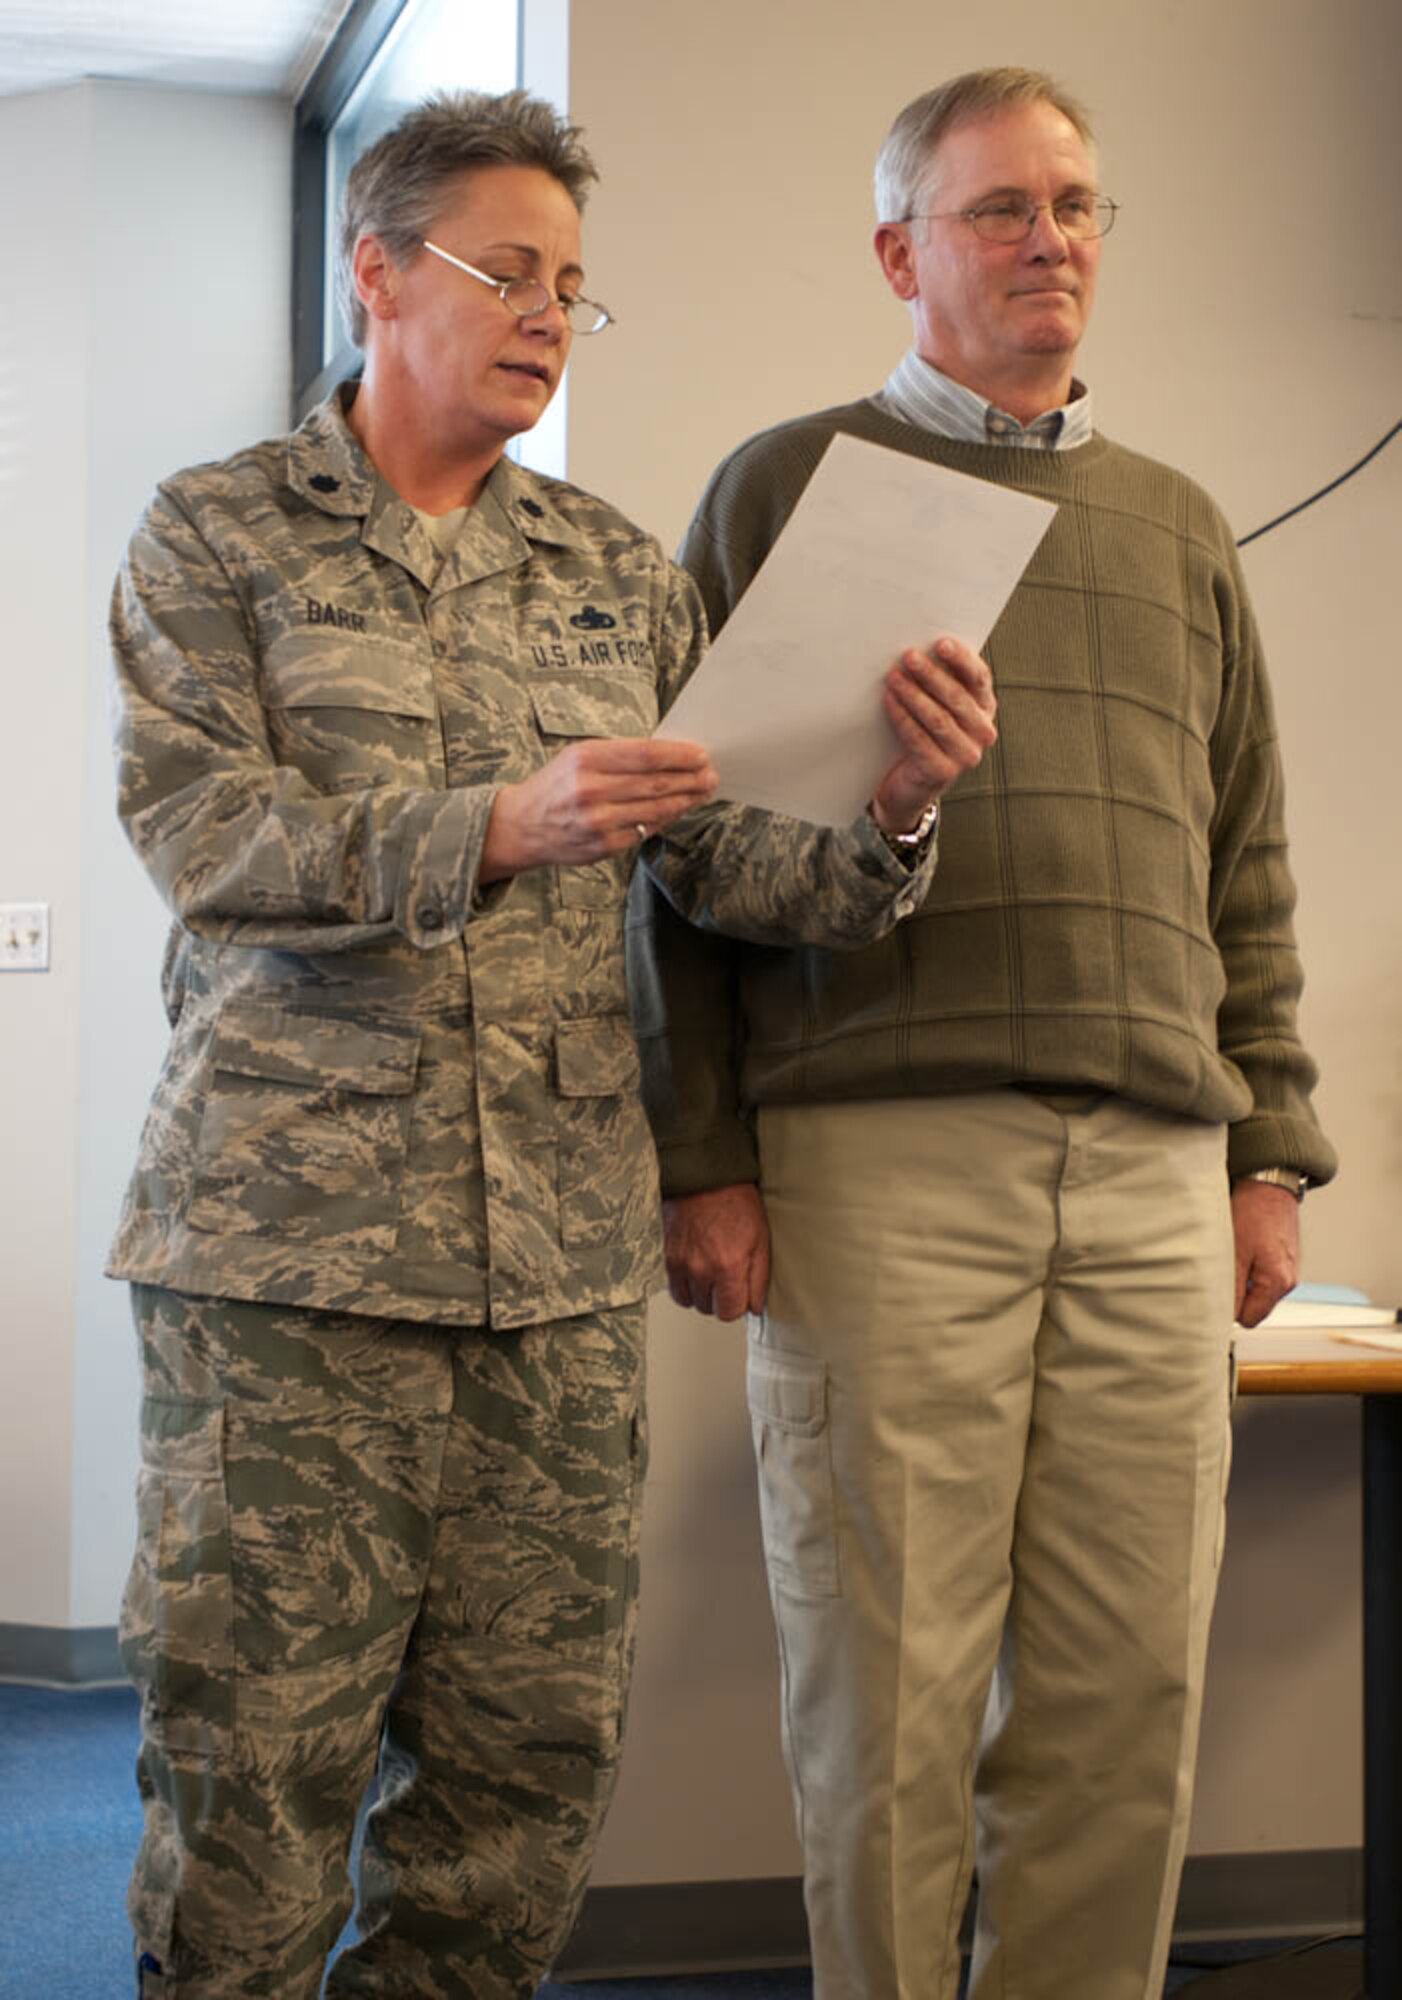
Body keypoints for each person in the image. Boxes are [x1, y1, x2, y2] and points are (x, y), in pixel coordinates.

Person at [107, 87, 997, 2000]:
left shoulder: (611, 569)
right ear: (375, 273)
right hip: (287, 1264)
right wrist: (495, 826)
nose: (543, 313)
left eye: (571, 289)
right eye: (505, 271)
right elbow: (203, 844)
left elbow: (737, 868)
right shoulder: (215, 535)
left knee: (521, 1780)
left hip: (553, 1282)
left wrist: (896, 806)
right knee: (254, 1768)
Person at [628, 65, 1336, 2000]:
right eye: (1003, 209)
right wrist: (704, 1157)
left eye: (1080, 206)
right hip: (875, 1154)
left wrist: (1266, 1150)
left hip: (1150, 1170)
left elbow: (1243, 862)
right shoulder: (786, 488)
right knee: (886, 1676)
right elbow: (674, 858)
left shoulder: (1179, 526)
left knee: (1126, 1684)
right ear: (899, 251)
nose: (1052, 243)